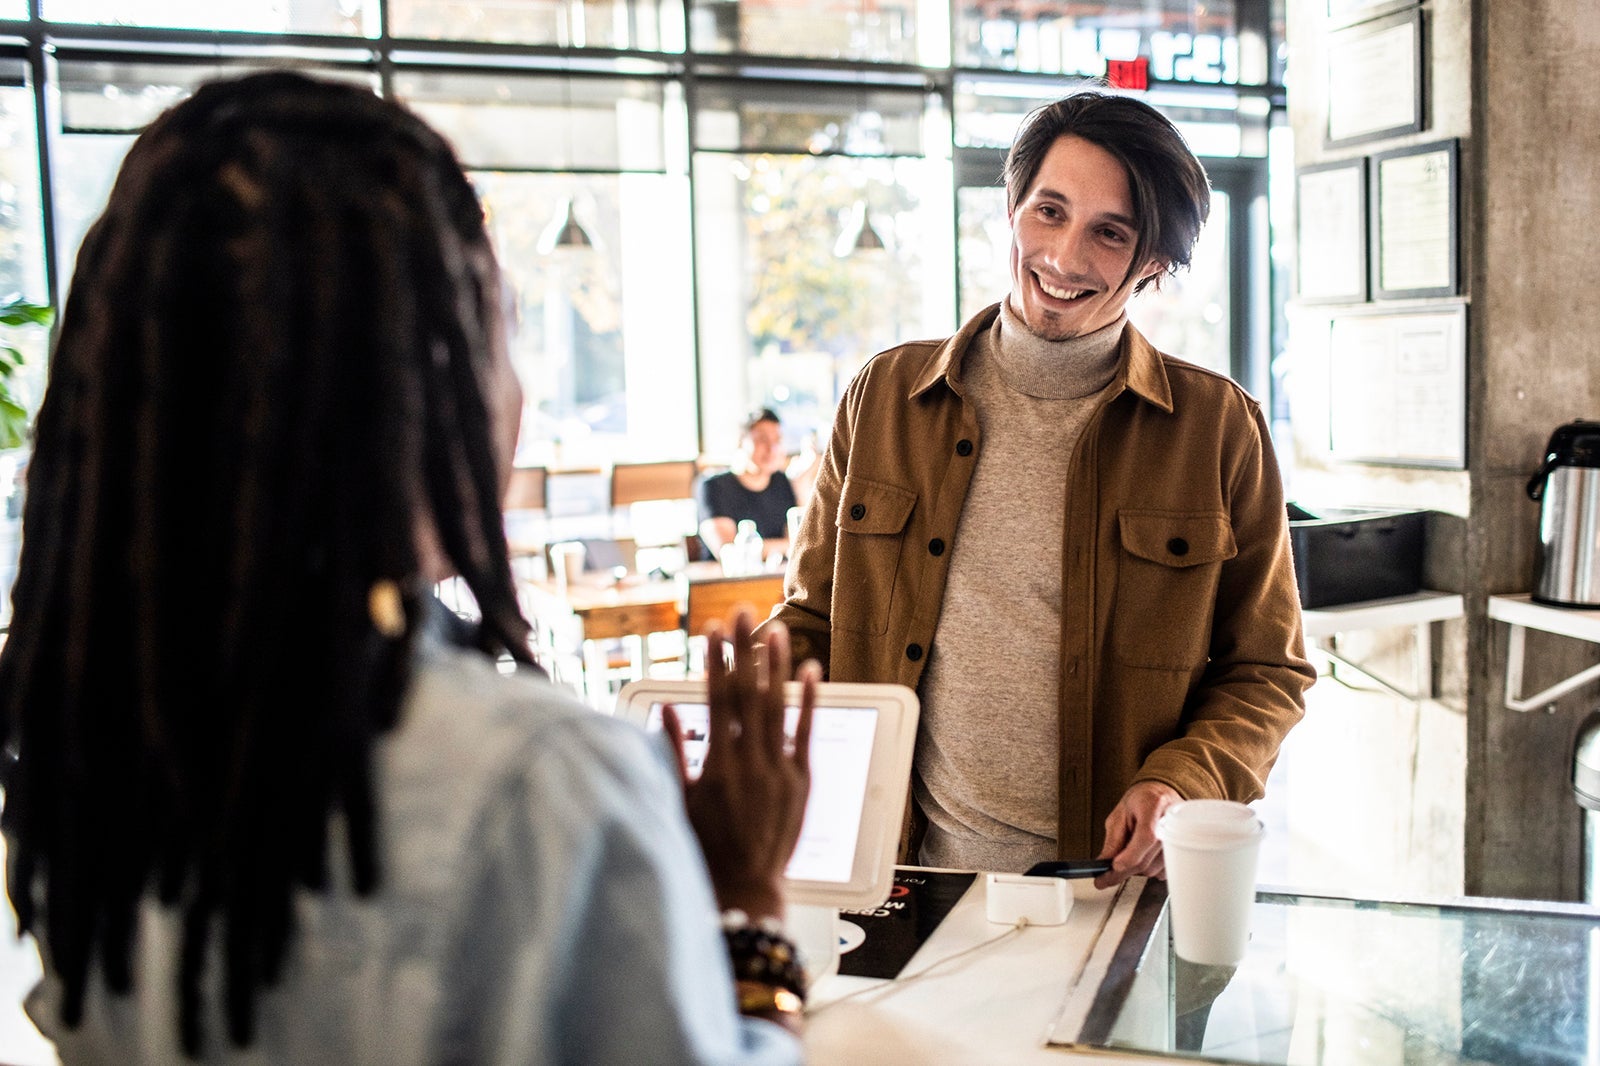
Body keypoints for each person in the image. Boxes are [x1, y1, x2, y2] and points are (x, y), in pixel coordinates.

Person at [0, 70, 817, 1064]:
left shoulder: (89, 739)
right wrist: (746, 909)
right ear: (426, 378)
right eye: (502, 324)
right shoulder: (542, 785)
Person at [763, 90, 1315, 886]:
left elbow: (1268, 668)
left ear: (1153, 261)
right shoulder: (882, 397)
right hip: (907, 881)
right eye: (1048, 211)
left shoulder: (1218, 427)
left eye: (1110, 233)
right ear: (1012, 210)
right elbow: (814, 620)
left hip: (1115, 889)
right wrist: (731, 699)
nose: (1063, 256)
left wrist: (1184, 780)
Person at [697, 408, 799, 564]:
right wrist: (786, 546)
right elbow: (728, 551)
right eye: (763, 440)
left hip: (776, 581)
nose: (772, 449)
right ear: (741, 441)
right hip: (726, 584)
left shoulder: (783, 483)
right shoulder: (713, 486)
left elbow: (799, 542)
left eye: (777, 440)